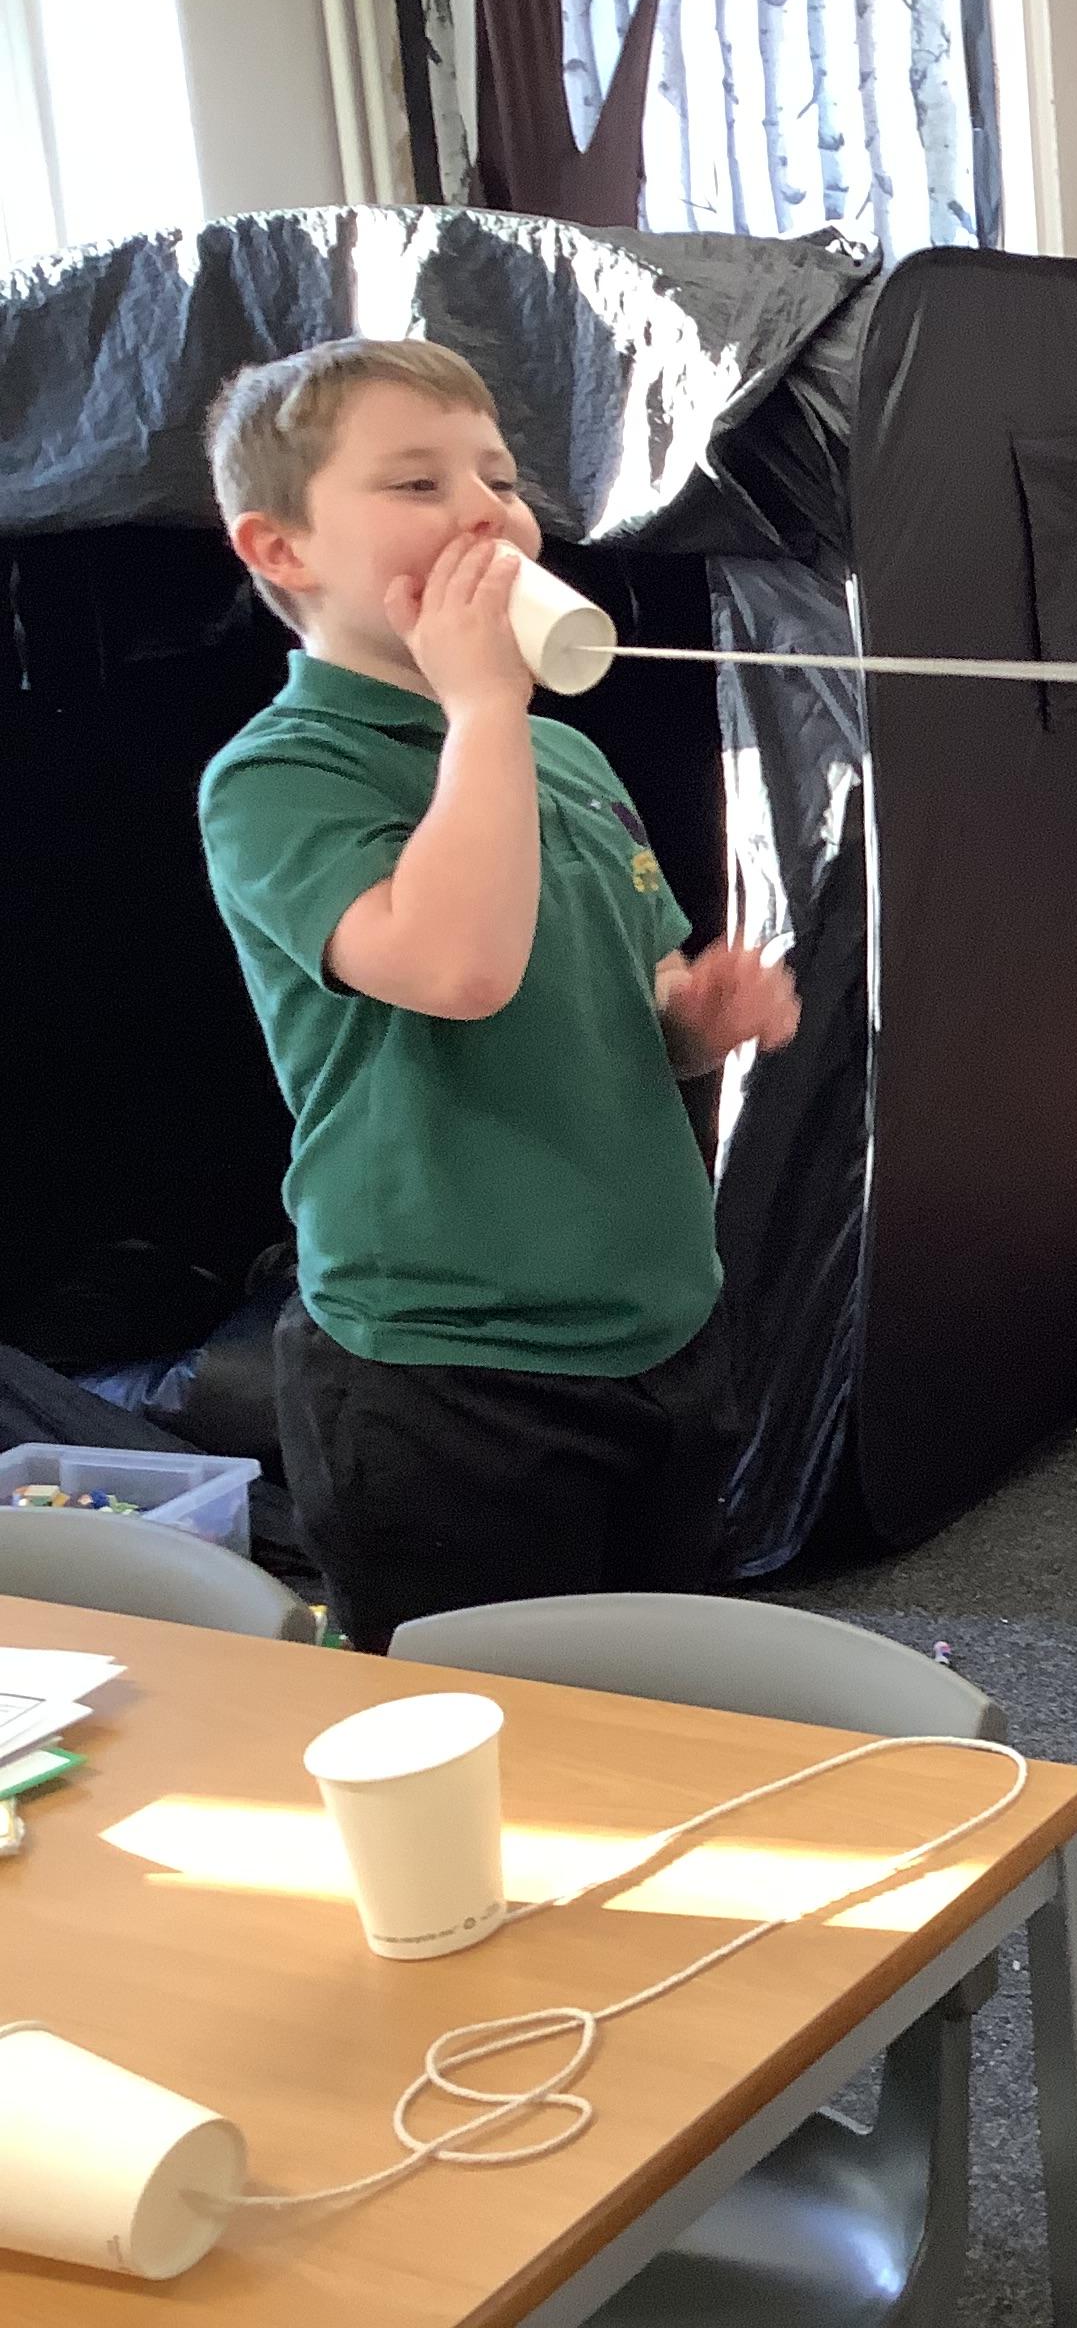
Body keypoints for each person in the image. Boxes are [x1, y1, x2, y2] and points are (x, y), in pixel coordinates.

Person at [197, 338, 799, 1652]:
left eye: (502, 479)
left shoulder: (557, 752)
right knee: (488, 1725)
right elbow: (457, 970)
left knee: (655, 1692)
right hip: (447, 1374)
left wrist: (696, 1018)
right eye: (418, 484)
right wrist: (481, 710)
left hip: (656, 1330)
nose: (486, 512)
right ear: (281, 549)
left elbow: (638, 993)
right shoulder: (281, 775)